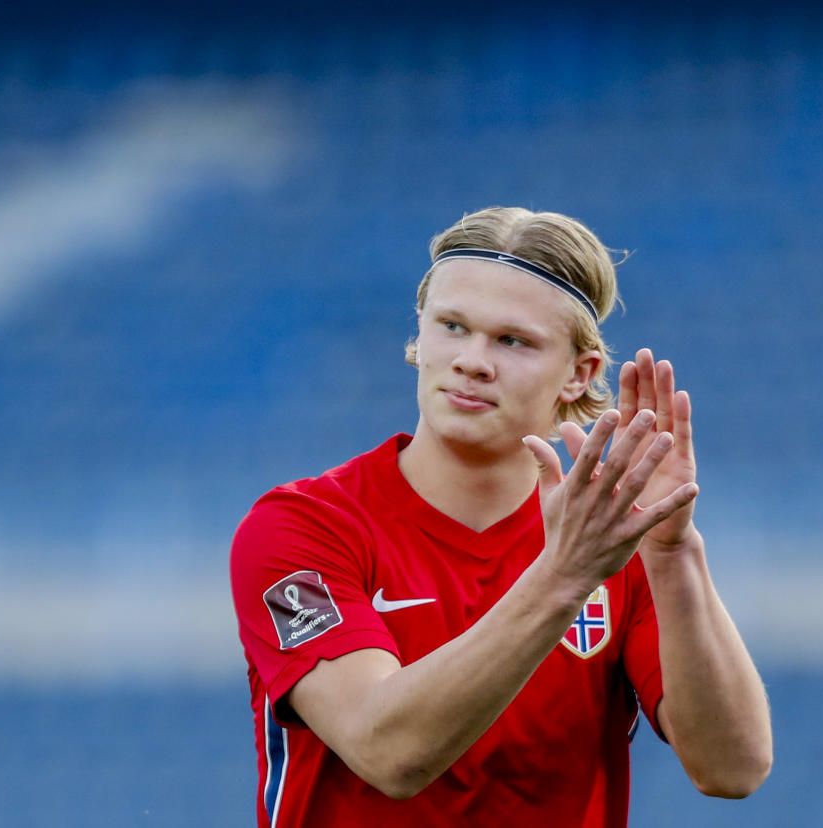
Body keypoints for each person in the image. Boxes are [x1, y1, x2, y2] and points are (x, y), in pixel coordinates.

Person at [230, 207, 772, 827]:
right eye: (453, 327)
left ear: (579, 373)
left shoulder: (615, 539)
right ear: (420, 335)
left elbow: (733, 768)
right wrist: (565, 576)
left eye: (512, 341)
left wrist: (674, 554)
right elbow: (389, 751)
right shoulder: (302, 528)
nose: (473, 360)